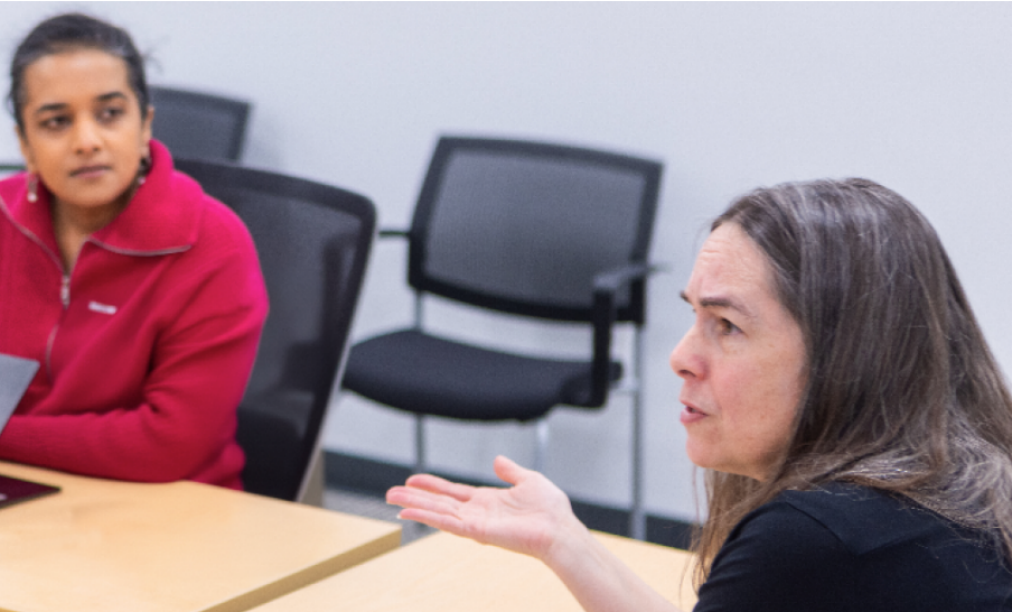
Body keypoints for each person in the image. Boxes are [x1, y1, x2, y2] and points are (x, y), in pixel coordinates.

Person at [388, 178, 1012, 610]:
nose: (681, 358)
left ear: (844, 356)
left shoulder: (816, 538)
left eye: (728, 327)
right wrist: (566, 541)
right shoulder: (949, 490)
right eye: (693, 317)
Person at [0, 13, 269, 490]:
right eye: (56, 122)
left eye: (110, 114)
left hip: (165, 510)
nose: (87, 141)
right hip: (4, 493)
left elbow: (167, 446)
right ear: (25, 142)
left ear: (145, 125)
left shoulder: (212, 243)